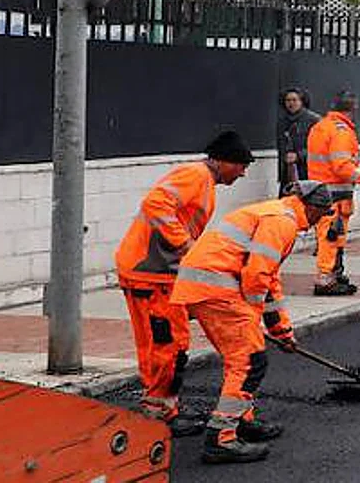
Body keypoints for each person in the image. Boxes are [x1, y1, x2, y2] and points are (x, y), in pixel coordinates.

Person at [170, 180, 336, 464]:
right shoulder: (282, 222)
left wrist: (281, 330)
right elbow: (257, 276)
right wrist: (252, 316)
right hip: (217, 289)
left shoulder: (276, 214)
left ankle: (241, 420)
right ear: (312, 207)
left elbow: (269, 281)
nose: (319, 220)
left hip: (207, 287)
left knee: (239, 359)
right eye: (321, 214)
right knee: (250, 362)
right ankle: (221, 438)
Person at [113, 130, 255, 434]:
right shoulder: (195, 175)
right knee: (168, 345)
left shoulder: (204, 181)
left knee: (164, 344)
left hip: (157, 273)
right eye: (241, 166)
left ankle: (162, 406)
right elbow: (156, 204)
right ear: (223, 161)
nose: (243, 173)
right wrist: (186, 246)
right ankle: (158, 412)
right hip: (150, 274)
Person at [307, 90, 360, 296]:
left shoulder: (320, 126)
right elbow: (342, 168)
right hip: (335, 196)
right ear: (354, 108)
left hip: (322, 192)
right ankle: (325, 279)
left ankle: (334, 274)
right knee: (331, 238)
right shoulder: (341, 131)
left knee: (332, 236)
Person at [276, 87, 321, 195]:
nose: (291, 103)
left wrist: (299, 156)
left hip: (308, 173)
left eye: (294, 100)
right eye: (288, 100)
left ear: (302, 101)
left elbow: (321, 148)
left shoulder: (314, 120)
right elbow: (281, 147)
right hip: (287, 173)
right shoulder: (282, 122)